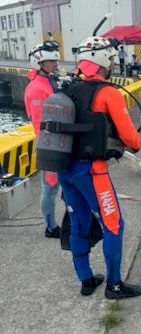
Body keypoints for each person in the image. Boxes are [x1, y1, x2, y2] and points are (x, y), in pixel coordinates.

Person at [57, 35, 141, 299]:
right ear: (101, 60)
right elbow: (132, 139)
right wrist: (134, 142)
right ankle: (114, 286)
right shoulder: (108, 92)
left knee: (78, 223)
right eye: (110, 58)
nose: (113, 63)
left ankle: (86, 280)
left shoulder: (67, 89)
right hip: (92, 173)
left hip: (65, 170)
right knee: (113, 225)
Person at [24, 41, 62, 239]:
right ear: (39, 63)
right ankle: (51, 227)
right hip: (50, 146)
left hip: (59, 144)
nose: (56, 64)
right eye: (51, 61)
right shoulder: (36, 89)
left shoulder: (50, 82)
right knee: (49, 187)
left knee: (55, 186)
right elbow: (41, 124)